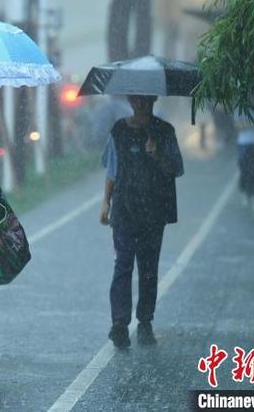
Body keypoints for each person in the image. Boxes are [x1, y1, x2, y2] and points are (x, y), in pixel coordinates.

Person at [99, 95, 184, 349]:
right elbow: (111, 169)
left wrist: (157, 155)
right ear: (129, 99)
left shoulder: (164, 131)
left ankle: (145, 321)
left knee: (148, 269)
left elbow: (176, 168)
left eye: (145, 98)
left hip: (154, 210)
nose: (141, 102)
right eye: (136, 97)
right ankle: (119, 325)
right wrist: (106, 202)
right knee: (123, 265)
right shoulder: (119, 130)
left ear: (154, 98)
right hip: (124, 209)